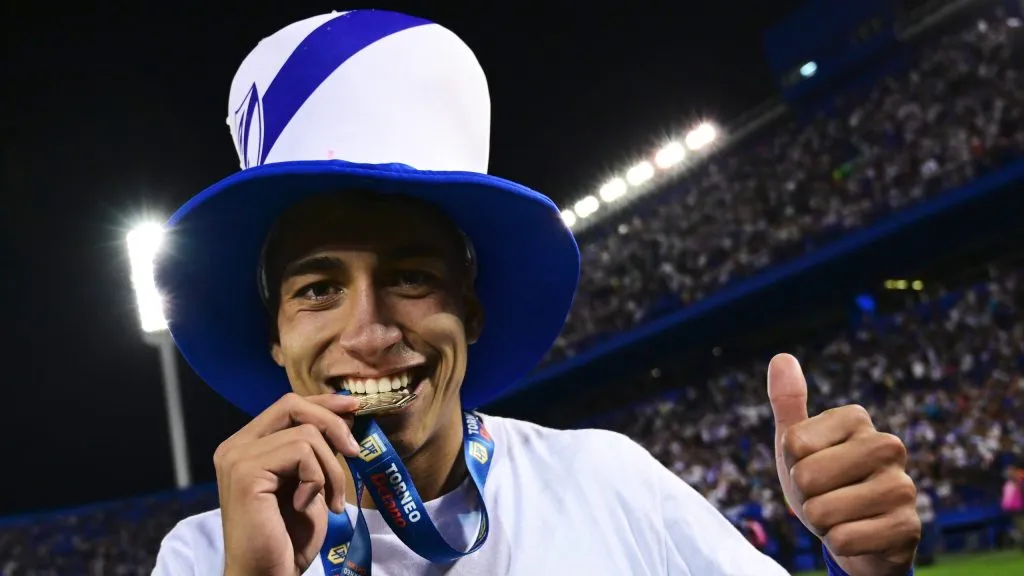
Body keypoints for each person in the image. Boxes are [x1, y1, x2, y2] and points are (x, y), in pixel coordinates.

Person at [151, 10, 921, 576]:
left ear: (473, 309)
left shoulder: (610, 483)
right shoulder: (203, 557)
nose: (370, 330)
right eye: (319, 289)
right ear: (275, 337)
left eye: (411, 277)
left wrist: (871, 574)